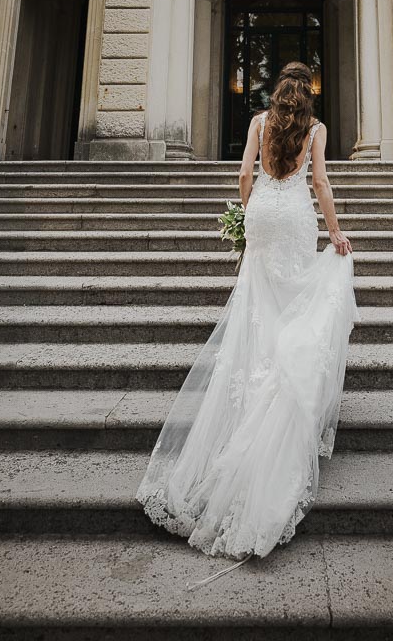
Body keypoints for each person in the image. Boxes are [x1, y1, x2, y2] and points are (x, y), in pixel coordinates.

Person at [136, 60, 359, 564]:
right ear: (308, 91)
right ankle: (282, 382)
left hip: (261, 214)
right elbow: (320, 184)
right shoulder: (316, 129)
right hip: (296, 217)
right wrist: (336, 232)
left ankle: (251, 387)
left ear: (279, 89)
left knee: (254, 309)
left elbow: (244, 174)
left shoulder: (259, 122)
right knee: (295, 300)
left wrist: (245, 220)